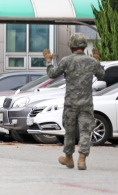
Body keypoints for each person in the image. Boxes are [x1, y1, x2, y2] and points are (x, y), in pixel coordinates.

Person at [43, 33, 104, 170]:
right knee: (85, 131)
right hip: (86, 103)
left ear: (71, 46)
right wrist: (96, 59)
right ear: (83, 46)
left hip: (71, 103)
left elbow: (52, 74)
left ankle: (69, 158)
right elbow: (101, 74)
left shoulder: (66, 60)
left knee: (69, 131)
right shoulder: (91, 61)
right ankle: (82, 160)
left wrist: (48, 60)